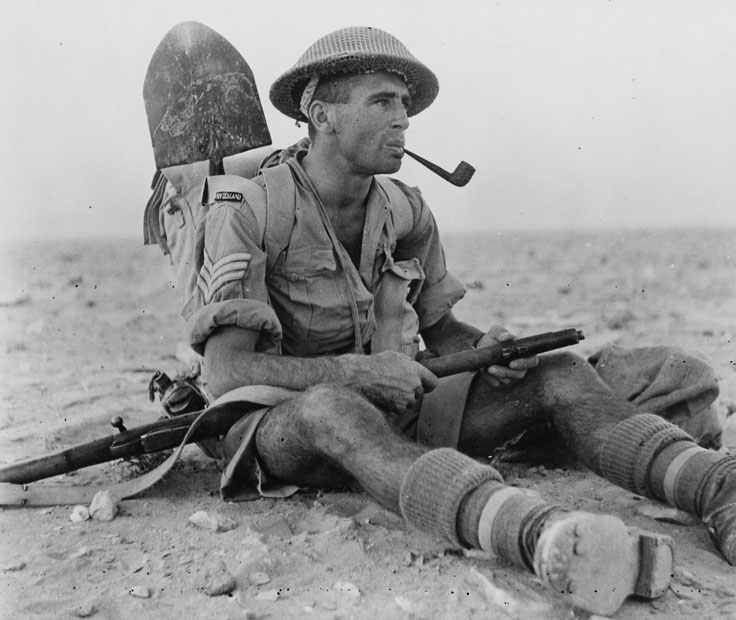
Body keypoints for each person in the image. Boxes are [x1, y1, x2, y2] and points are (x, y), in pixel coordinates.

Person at [167, 27, 735, 616]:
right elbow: (228, 372)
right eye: (382, 101)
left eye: (405, 105)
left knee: (561, 372)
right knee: (332, 405)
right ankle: (538, 535)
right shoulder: (250, 209)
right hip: (281, 429)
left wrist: (489, 349)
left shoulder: (406, 210)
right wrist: (357, 373)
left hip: (392, 414)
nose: (403, 120)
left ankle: (718, 489)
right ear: (320, 113)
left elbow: (444, 334)